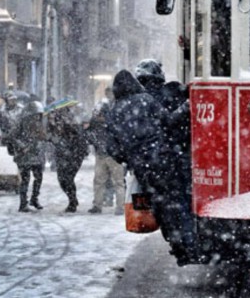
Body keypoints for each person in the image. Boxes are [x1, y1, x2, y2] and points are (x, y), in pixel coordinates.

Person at [133, 59, 196, 265]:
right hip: (174, 160)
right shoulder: (170, 93)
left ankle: (179, 244)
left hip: (155, 165)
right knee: (182, 204)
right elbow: (172, 122)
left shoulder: (139, 102)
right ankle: (186, 244)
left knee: (165, 208)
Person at [46, 100, 89, 213]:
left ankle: (72, 202)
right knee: (61, 179)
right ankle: (73, 199)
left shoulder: (71, 120)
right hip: (62, 154)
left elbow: (77, 136)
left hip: (74, 153)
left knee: (68, 178)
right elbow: (50, 137)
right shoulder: (53, 124)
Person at [84, 102, 125, 215]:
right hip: (103, 156)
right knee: (100, 182)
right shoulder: (97, 123)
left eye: (99, 114)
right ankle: (98, 205)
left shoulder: (112, 123)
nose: (97, 116)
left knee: (117, 182)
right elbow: (88, 138)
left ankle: (120, 207)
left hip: (113, 156)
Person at [8, 101, 46, 212]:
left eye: (39, 114)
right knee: (25, 179)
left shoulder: (40, 123)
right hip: (24, 156)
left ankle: (34, 198)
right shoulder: (21, 122)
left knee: (39, 177)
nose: (37, 117)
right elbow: (12, 136)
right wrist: (23, 146)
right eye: (36, 114)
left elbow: (42, 138)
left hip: (36, 155)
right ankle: (23, 203)